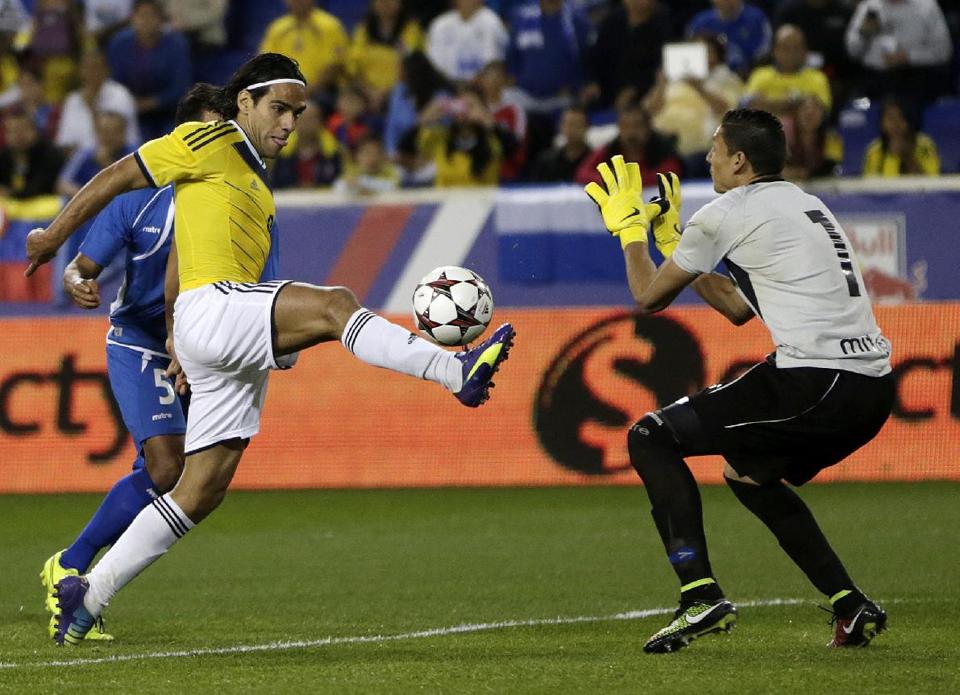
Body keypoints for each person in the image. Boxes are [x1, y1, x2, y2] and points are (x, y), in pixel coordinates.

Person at [25, 53, 514, 645]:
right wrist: (53, 236)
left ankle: (87, 595)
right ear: (244, 104)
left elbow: (184, 255)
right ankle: (451, 369)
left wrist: (181, 329)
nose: (290, 123)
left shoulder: (255, 179)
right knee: (337, 304)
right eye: (278, 108)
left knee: (198, 489)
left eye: (298, 112)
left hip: (214, 329)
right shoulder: (211, 137)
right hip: (216, 310)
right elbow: (118, 174)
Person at [583, 109, 893, 653]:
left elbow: (647, 296)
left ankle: (699, 596)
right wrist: (673, 238)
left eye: (716, 150)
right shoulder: (806, 205)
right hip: (870, 386)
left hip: (815, 379)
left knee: (651, 436)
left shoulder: (728, 210)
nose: (709, 159)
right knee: (748, 474)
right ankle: (850, 605)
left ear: (740, 160)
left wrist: (631, 232)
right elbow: (734, 305)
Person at [38, 83, 226, 642]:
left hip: (204, 344)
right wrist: (75, 282)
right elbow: (83, 266)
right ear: (186, 136)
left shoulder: (241, 195)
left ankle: (74, 573)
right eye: (216, 133)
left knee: (177, 477)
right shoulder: (139, 195)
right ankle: (73, 570)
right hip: (140, 339)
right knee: (169, 469)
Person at [862, 95, 940, 176]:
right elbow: (870, 186)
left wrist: (907, 157)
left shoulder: (925, 146)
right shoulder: (874, 151)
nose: (896, 124)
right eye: (890, 118)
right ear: (882, 124)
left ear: (909, 121)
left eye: (900, 117)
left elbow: (931, 183)